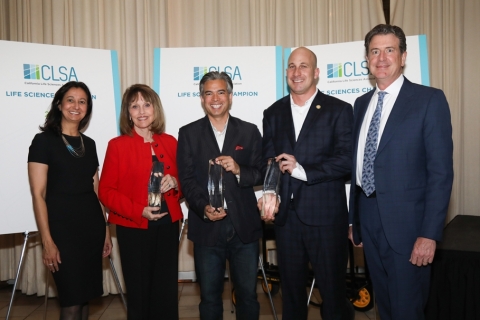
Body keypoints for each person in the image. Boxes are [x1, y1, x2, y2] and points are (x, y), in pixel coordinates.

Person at [348, 24, 454, 320]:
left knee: (407, 309)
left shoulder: (428, 100)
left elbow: (440, 174)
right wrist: (354, 220)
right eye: (375, 51)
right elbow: (356, 166)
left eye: (390, 50)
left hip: (409, 228)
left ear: (403, 56)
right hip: (368, 219)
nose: (381, 57)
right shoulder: (361, 104)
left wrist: (429, 234)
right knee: (385, 305)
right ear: (367, 59)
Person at [260, 47, 353, 320]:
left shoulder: (339, 110)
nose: (296, 72)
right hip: (287, 221)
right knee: (291, 295)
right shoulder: (273, 112)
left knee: (333, 294)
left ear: (316, 73)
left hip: (326, 218)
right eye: (291, 66)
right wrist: (270, 192)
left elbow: (347, 160)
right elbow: (269, 159)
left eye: (303, 66)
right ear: (286, 72)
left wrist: (302, 170)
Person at [177, 71, 263, 319]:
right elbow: (187, 180)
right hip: (207, 229)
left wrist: (239, 170)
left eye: (221, 92)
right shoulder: (189, 133)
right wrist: (203, 207)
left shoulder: (249, 131)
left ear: (230, 96)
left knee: (247, 296)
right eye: (208, 93)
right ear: (202, 98)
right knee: (210, 299)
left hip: (243, 228)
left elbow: (260, 172)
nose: (215, 98)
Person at [28, 81, 112, 320]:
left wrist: (105, 229)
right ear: (59, 104)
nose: (76, 106)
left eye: (82, 101)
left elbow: (96, 190)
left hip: (91, 228)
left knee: (84, 298)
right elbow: (38, 194)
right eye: (71, 100)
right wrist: (47, 240)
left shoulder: (91, 144)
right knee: (71, 301)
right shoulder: (43, 141)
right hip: (61, 231)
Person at [98, 84, 183, 319]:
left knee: (166, 290)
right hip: (133, 227)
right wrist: (138, 211)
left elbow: (186, 183)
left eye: (146, 104)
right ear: (128, 112)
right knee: (139, 292)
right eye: (134, 106)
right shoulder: (117, 145)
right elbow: (105, 191)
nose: (142, 111)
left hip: (167, 225)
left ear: (155, 108)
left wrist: (175, 182)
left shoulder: (170, 142)